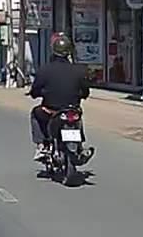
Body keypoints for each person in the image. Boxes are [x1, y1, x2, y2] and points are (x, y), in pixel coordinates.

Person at [28, 33, 95, 164]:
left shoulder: (45, 69)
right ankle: (80, 146)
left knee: (35, 114)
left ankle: (41, 145)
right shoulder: (78, 70)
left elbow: (35, 89)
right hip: (72, 110)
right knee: (77, 117)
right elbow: (85, 90)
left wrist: (36, 93)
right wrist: (82, 95)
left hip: (50, 110)